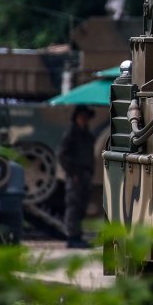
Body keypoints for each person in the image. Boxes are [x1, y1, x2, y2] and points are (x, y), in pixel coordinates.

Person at [57, 105, 96, 248]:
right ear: (77, 117)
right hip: (75, 175)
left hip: (85, 174)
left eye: (86, 117)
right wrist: (72, 172)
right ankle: (72, 237)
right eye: (82, 117)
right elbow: (62, 155)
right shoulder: (71, 134)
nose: (84, 120)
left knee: (81, 206)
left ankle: (77, 235)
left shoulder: (85, 134)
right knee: (73, 206)